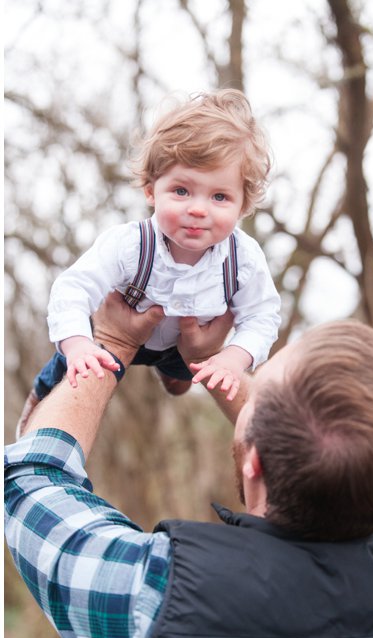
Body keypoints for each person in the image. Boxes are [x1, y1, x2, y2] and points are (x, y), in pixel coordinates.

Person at [4, 292, 373, 638]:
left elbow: (29, 478)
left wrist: (111, 343)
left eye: (261, 388)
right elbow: (362, 466)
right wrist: (212, 365)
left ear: (254, 461)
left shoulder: (155, 599)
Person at [19, 90, 281, 435]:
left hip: (185, 349)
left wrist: (235, 355)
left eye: (219, 196)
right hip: (115, 335)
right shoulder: (130, 245)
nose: (199, 209)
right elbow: (73, 287)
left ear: (243, 205)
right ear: (150, 190)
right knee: (70, 369)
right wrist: (78, 343)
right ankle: (33, 410)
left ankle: (174, 376)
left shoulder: (242, 259)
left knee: (190, 369)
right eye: (182, 191)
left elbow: (262, 315)